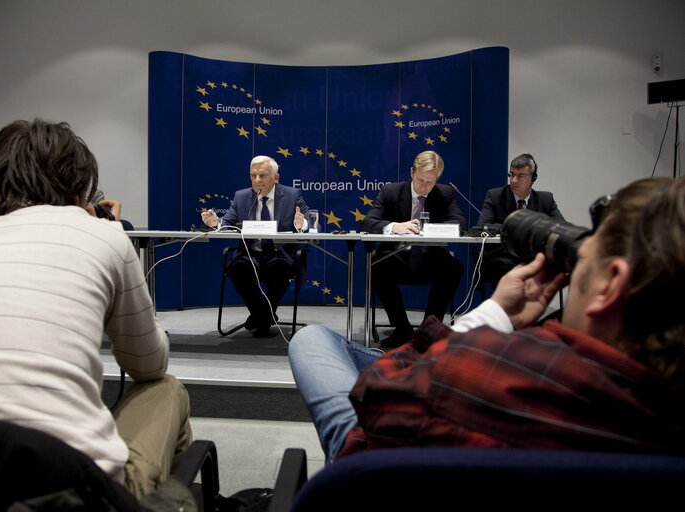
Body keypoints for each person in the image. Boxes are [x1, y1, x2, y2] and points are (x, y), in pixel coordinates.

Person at [289, 177, 685, 465]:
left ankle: (411, 340)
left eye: (584, 261)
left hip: (370, 457)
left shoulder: (500, 361)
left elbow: (376, 396)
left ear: (610, 285)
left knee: (313, 340)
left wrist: (490, 317)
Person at [0, 120, 192, 498]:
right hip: (62, 488)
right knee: (166, 390)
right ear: (81, 189)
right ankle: (143, 500)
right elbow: (149, 364)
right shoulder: (104, 235)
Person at [361, 150, 467, 347]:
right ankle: (402, 330)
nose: (424, 187)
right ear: (411, 172)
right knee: (376, 267)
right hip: (396, 256)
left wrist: (433, 230)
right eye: (420, 180)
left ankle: (429, 330)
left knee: (454, 268)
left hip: (430, 257)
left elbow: (460, 222)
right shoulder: (391, 192)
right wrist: (395, 226)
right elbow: (368, 222)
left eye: (430, 182)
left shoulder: (444, 193)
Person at [201, 155, 309, 337]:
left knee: (279, 270)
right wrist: (214, 223)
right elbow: (226, 222)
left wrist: (302, 225)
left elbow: (312, 226)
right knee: (237, 269)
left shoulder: (292, 195)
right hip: (251, 254)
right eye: (253, 176)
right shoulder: (242, 197)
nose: (257, 180)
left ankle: (261, 317)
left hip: (279, 254)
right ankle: (264, 315)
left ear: (276, 177)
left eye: (262, 175)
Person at [476, 153, 565, 287]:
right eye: (512, 174)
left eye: (520, 176)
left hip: (535, 256)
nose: (514, 180)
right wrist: (519, 227)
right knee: (513, 272)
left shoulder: (545, 199)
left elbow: (561, 226)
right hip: (503, 257)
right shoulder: (495, 196)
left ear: (533, 178)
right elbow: (483, 226)